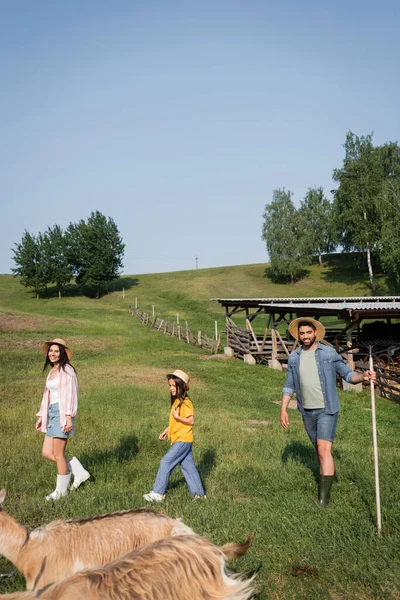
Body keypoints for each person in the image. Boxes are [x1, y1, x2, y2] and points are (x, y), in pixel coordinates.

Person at [280, 318, 376, 507]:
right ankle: (326, 475)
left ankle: (324, 500)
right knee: (318, 449)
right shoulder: (294, 357)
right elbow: (289, 385)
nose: (306, 336)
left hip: (327, 409)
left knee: (324, 449)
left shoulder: (329, 353)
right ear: (298, 335)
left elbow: (348, 375)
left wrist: (363, 376)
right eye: (302, 333)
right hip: (307, 410)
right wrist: (283, 408)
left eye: (309, 332)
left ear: (315, 333)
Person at [36, 338, 90, 501]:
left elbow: (71, 395)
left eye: (56, 351)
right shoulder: (52, 371)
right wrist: (41, 415)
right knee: (46, 452)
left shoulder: (67, 370)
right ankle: (78, 471)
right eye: (51, 351)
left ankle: (61, 491)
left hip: (62, 413)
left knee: (59, 454)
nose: (52, 354)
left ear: (62, 353)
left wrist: (68, 417)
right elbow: (48, 395)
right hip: (51, 413)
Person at [143, 369, 205, 502]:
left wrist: (177, 416)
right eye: (169, 385)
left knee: (166, 462)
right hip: (181, 439)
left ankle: (158, 493)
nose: (170, 388)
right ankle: (199, 495)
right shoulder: (177, 401)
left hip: (183, 439)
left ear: (180, 385)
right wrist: (167, 430)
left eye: (173, 385)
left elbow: (191, 420)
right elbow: (176, 421)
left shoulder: (186, 402)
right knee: (188, 467)